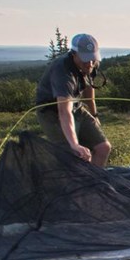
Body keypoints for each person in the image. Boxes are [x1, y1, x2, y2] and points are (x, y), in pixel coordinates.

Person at [35, 32, 112, 167]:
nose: (89, 64)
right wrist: (74, 144)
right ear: (74, 54)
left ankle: (94, 183)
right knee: (74, 155)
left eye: (92, 59)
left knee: (103, 148)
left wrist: (94, 115)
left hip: (76, 105)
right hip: (52, 111)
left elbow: (89, 86)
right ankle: (73, 185)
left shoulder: (92, 63)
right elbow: (64, 111)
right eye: (85, 59)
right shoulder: (63, 71)